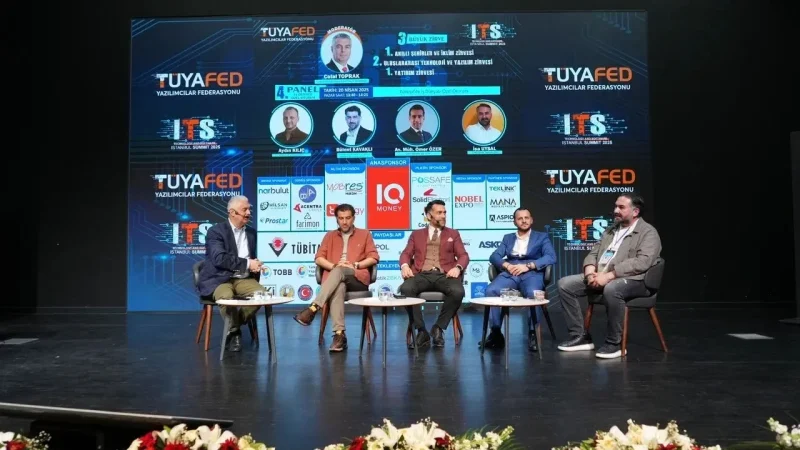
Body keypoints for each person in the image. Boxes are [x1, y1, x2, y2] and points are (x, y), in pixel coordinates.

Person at [556, 193, 662, 359]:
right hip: (600, 275)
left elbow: (642, 262)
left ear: (635, 212)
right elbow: (593, 253)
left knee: (612, 289)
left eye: (621, 207)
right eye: (615, 206)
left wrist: (609, 276)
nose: (615, 210)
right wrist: (590, 274)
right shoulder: (611, 230)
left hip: (636, 280)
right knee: (565, 284)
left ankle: (614, 343)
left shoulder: (648, 232)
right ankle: (580, 336)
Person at [293, 204, 379, 352]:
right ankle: (339, 336)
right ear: (337, 219)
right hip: (336, 278)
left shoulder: (365, 234)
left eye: (348, 218)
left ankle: (313, 308)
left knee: (340, 272)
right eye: (341, 218)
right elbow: (319, 258)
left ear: (353, 218)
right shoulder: (330, 236)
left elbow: (374, 257)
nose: (344, 222)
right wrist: (334, 266)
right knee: (339, 286)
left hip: (357, 278)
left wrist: (356, 265)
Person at [196, 195, 264, 352]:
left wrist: (254, 264)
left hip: (243, 278)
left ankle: (233, 326)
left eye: (249, 209)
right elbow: (220, 259)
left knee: (262, 295)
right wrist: (248, 263)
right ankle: (235, 332)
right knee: (226, 298)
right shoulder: (215, 231)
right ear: (232, 212)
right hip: (219, 279)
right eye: (245, 209)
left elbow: (249, 257)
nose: (249, 213)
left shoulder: (251, 233)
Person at [482, 207, 556, 352]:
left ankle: (532, 333)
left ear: (531, 220)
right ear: (514, 222)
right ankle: (496, 333)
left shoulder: (541, 237)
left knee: (533, 293)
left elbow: (550, 256)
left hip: (532, 273)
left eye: (526, 218)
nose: (524, 221)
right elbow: (494, 256)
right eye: (520, 218)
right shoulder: (508, 238)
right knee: (491, 291)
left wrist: (528, 266)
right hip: (511, 273)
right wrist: (507, 265)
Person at [398, 200, 469, 348]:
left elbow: (463, 255)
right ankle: (421, 331)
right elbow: (406, 253)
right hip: (422, 274)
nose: (443, 216)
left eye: (444, 212)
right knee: (406, 289)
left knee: (458, 291)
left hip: (445, 275)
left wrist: (458, 267)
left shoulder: (453, 234)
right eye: (439, 213)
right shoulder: (416, 234)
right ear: (429, 215)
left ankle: (438, 328)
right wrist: (404, 266)